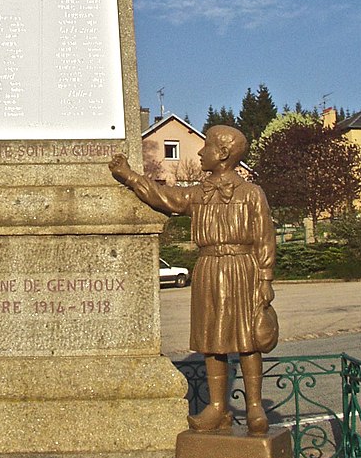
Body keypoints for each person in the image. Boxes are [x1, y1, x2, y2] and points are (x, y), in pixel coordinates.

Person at [109, 125, 277, 435]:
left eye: (207, 147)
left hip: (243, 268)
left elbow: (265, 238)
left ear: (223, 154)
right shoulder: (198, 193)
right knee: (212, 340)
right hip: (208, 269)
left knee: (248, 339)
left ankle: (254, 407)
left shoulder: (252, 193)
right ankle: (216, 407)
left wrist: (265, 277)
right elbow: (164, 196)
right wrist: (131, 177)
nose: (200, 153)